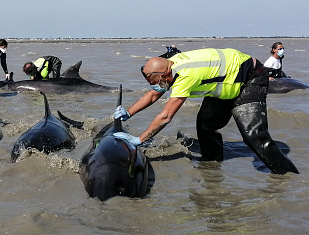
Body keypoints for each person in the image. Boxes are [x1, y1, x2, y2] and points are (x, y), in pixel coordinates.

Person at [113, 48, 298, 175]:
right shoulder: (171, 64)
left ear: (164, 75)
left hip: (250, 77)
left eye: (157, 82)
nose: (158, 87)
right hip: (224, 82)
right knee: (205, 125)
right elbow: (154, 95)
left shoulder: (185, 76)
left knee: (253, 136)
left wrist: (139, 139)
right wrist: (128, 112)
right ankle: (212, 165)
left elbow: (166, 116)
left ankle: (287, 176)